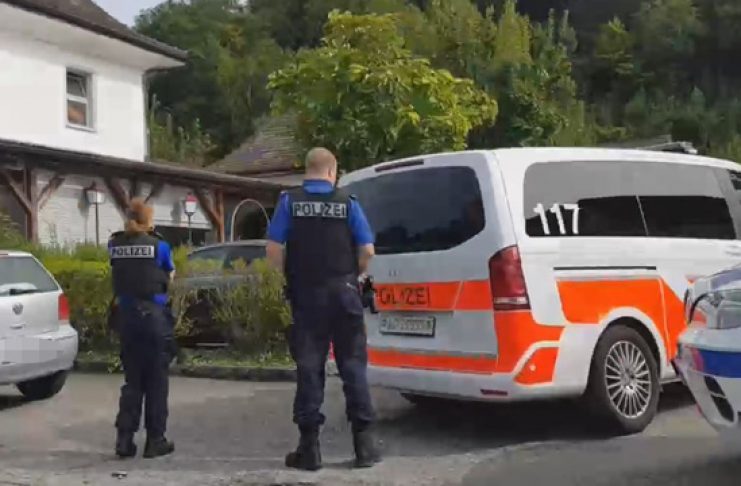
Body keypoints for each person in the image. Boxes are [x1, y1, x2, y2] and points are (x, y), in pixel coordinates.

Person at [266, 147, 381, 471]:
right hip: (344, 294)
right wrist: (352, 276)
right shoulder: (348, 203)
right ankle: (364, 446)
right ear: (333, 172)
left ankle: (309, 450)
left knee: (309, 368)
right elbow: (368, 250)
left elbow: (273, 249)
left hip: (307, 296)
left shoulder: (289, 202)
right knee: (352, 366)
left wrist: (289, 276)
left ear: (308, 170)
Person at [108, 198, 176, 459]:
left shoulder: (114, 245)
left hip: (127, 320)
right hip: (154, 321)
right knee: (157, 382)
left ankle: (124, 440)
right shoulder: (160, 246)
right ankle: (155, 440)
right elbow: (169, 275)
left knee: (133, 382)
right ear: (149, 220)